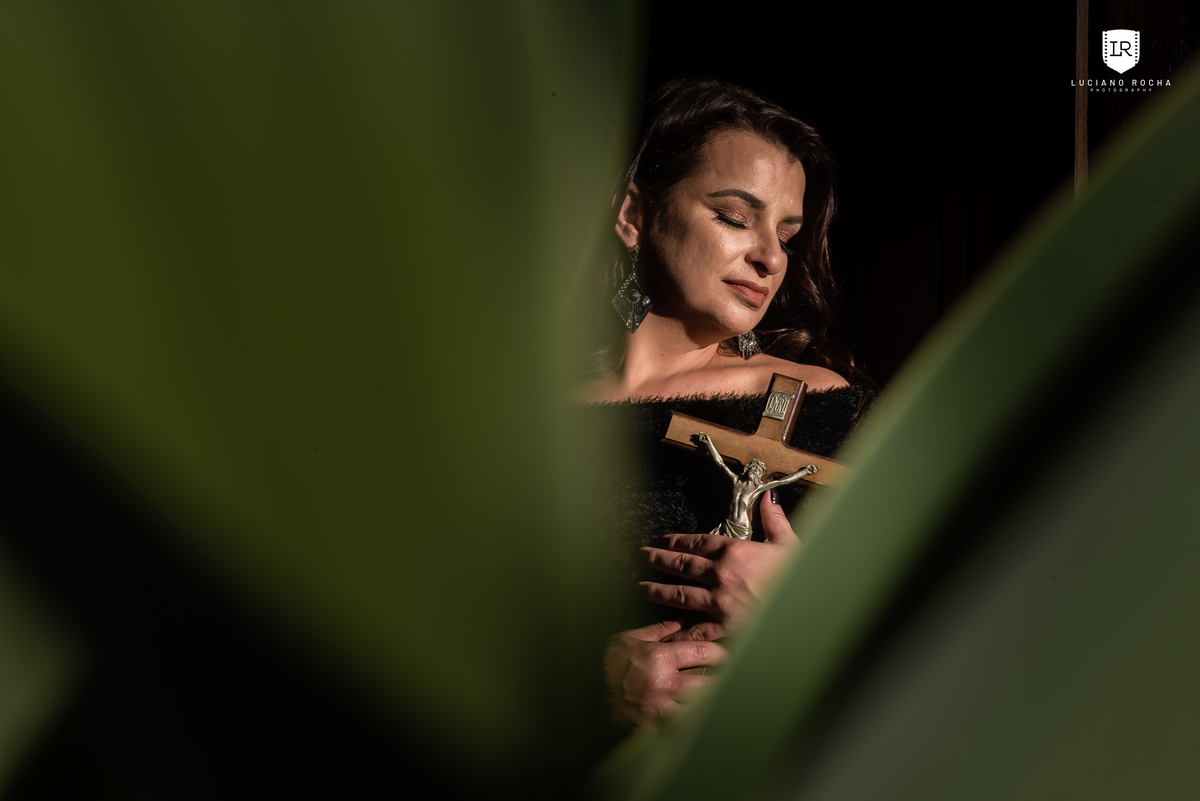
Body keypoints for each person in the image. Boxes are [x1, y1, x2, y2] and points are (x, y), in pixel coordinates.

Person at [578, 77, 871, 731]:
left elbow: (948, 619)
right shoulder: (528, 411)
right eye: (735, 217)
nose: (770, 257)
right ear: (633, 215)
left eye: (787, 235)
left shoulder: (815, 404)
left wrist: (803, 609)